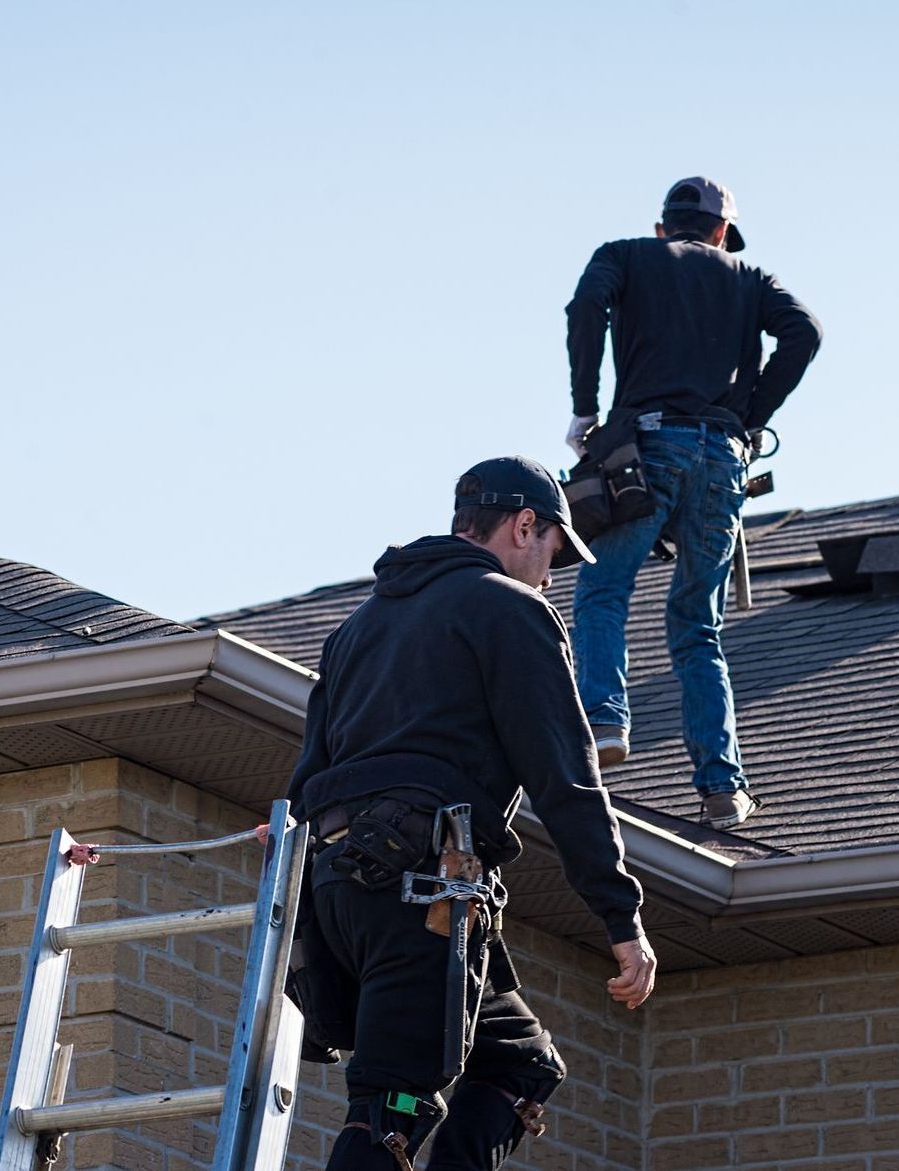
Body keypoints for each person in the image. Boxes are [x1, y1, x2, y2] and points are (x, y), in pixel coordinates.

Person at [285, 455, 657, 1171]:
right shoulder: (511, 611)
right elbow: (567, 780)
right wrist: (622, 920)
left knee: (519, 1064)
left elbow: (306, 784)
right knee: (391, 1108)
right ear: (525, 525)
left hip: (342, 894)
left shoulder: (356, 630)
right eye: (553, 550)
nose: (552, 574)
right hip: (420, 892)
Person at [565, 176, 822, 830]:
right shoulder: (749, 277)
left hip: (648, 448)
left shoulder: (626, 255)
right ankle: (723, 789)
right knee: (697, 627)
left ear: (663, 228)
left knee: (603, 591)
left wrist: (586, 409)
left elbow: (584, 308)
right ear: (719, 233)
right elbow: (805, 333)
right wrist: (750, 413)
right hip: (722, 459)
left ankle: (602, 722)